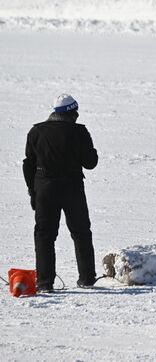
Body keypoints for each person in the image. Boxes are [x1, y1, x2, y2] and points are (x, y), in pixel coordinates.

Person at [23, 94, 99, 291]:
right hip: (72, 188)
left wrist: (33, 191)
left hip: (44, 189)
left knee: (44, 235)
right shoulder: (79, 132)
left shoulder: (36, 131)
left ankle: (44, 283)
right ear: (71, 112)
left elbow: (28, 164)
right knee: (81, 232)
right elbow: (90, 163)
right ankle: (87, 279)